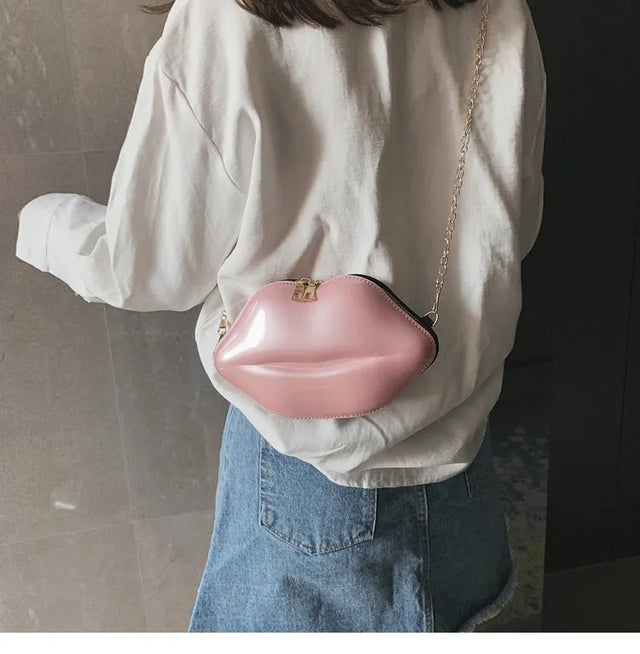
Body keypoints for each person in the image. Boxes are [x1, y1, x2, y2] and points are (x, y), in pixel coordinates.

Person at [15, 0, 546, 633]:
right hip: (464, 476)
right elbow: (512, 230)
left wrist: (43, 223)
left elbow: (147, 266)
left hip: (309, 487)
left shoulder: (224, 18)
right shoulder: (497, 8)